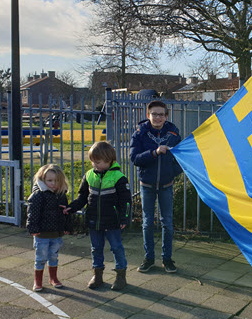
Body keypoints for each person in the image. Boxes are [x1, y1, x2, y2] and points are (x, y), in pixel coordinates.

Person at [66, 141, 132, 291]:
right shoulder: (89, 175)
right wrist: (71, 208)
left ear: (109, 161)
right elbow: (82, 197)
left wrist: (124, 218)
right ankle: (97, 275)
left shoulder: (119, 177)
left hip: (113, 221)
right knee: (96, 248)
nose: (94, 164)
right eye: (92, 161)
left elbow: (126, 202)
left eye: (98, 162)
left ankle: (121, 276)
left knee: (116, 247)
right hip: (94, 220)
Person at [130, 100, 182, 273]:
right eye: (154, 114)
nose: (158, 117)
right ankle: (149, 258)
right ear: (148, 115)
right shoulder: (140, 133)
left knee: (167, 223)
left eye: (161, 114)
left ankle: (167, 259)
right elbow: (135, 158)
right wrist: (154, 152)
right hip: (147, 185)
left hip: (166, 184)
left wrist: (172, 172)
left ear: (166, 116)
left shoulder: (174, 133)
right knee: (147, 223)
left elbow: (181, 157)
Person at [26, 164, 71, 292]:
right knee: (40, 257)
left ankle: (53, 278)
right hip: (42, 233)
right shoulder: (38, 195)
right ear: (43, 180)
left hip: (56, 233)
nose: (53, 184)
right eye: (49, 180)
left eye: (56, 181)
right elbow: (32, 213)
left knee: (53, 256)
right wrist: (33, 228)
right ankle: (38, 281)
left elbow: (66, 212)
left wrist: (67, 226)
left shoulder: (61, 194)